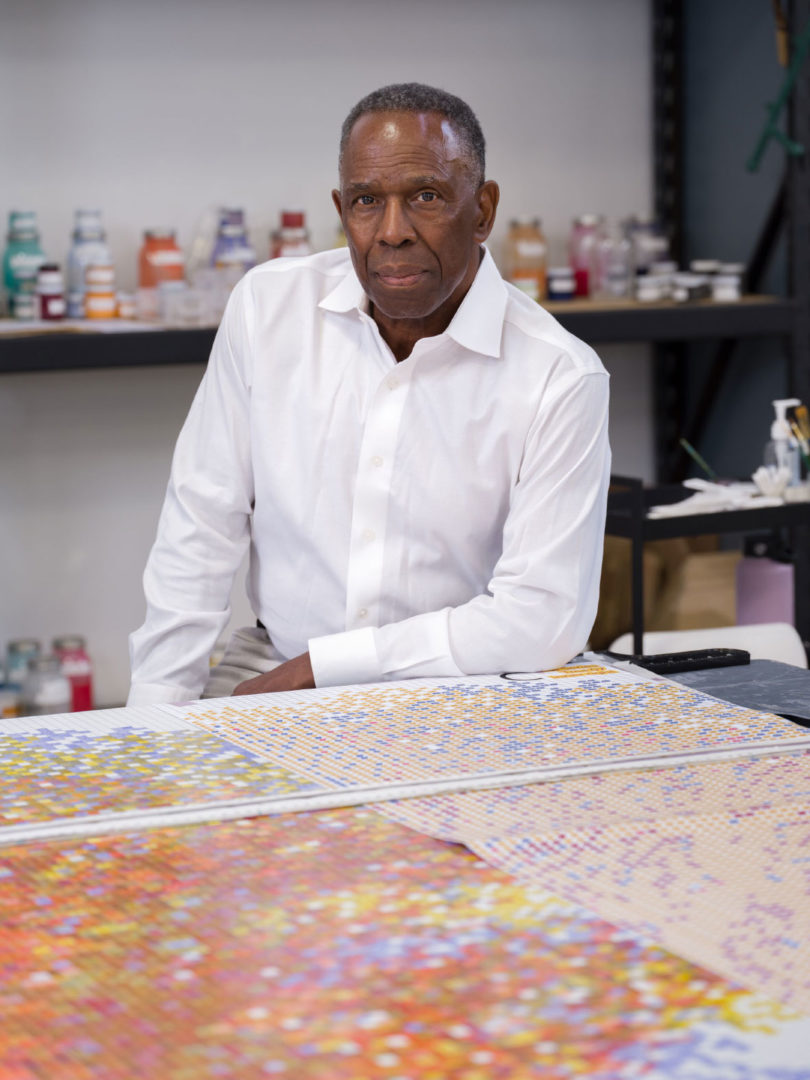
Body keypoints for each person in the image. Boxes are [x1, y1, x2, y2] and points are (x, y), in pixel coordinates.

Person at [127, 82, 611, 707]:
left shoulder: (559, 375)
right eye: (365, 201)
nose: (392, 231)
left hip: (460, 689)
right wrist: (156, 710)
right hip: (270, 663)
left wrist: (325, 668)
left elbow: (540, 619)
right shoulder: (269, 308)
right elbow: (200, 523)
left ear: (484, 209)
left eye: (426, 197)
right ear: (341, 209)